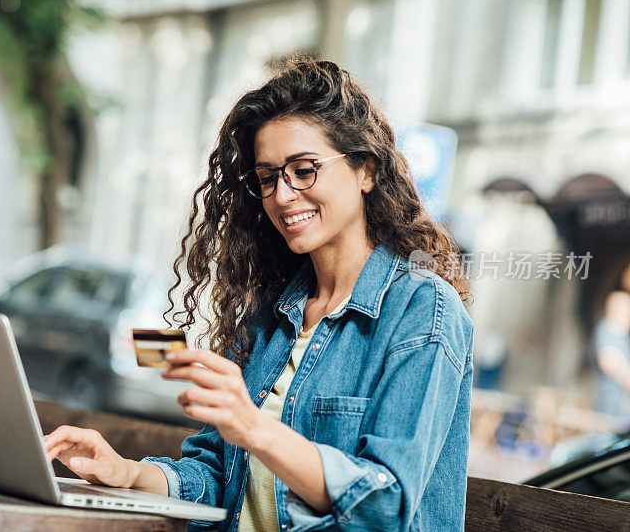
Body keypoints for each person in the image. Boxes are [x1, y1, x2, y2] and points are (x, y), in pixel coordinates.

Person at [44, 59, 474, 531]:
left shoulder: (422, 310)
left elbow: (386, 508)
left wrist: (253, 427)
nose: (283, 195)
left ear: (366, 170)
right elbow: (215, 478)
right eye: (267, 177)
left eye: (304, 170)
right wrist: (128, 473)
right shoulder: (269, 314)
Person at [593, 290, 630, 417]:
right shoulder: (607, 330)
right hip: (610, 400)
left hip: (622, 402)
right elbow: (608, 361)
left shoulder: (622, 335)